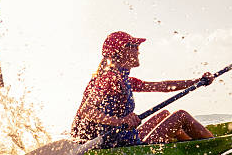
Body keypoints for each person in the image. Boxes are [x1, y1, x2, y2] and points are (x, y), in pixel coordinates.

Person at [71, 31, 215, 148]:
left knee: (164, 114)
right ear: (122, 51)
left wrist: (197, 81)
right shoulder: (110, 79)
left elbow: (163, 86)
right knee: (181, 116)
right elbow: (86, 110)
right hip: (115, 145)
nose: (138, 51)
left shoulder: (122, 78)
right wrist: (120, 122)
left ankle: (190, 147)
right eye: (135, 46)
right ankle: (213, 147)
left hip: (120, 140)